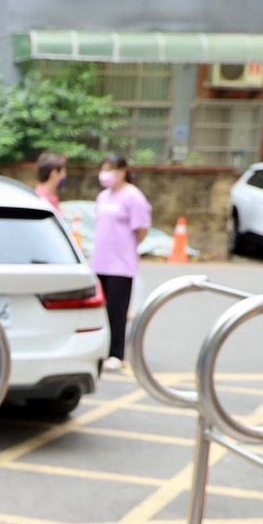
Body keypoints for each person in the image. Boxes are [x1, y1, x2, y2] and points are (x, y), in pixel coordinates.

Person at [90, 154, 152, 372]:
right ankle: (102, 349)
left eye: (111, 169)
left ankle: (117, 353)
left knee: (118, 311)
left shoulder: (133, 196)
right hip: (101, 262)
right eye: (104, 168)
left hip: (121, 264)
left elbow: (142, 229)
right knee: (102, 310)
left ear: (124, 171)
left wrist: (127, 248)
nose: (106, 174)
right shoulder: (103, 197)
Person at [33, 150, 67, 216]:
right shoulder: (42, 200)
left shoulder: (50, 197)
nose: (64, 176)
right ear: (53, 173)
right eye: (62, 172)